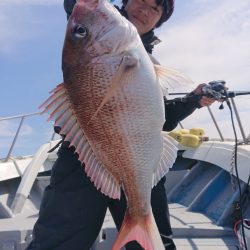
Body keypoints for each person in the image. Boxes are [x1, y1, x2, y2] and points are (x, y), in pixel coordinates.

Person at [26, 0, 215, 249]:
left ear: (159, 21)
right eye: (141, 1)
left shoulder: (146, 61)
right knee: (58, 242)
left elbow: (161, 120)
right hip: (82, 158)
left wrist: (194, 101)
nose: (144, 11)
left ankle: (140, 222)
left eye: (154, 9)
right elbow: (80, 10)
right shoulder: (94, 33)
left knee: (155, 244)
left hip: (139, 162)